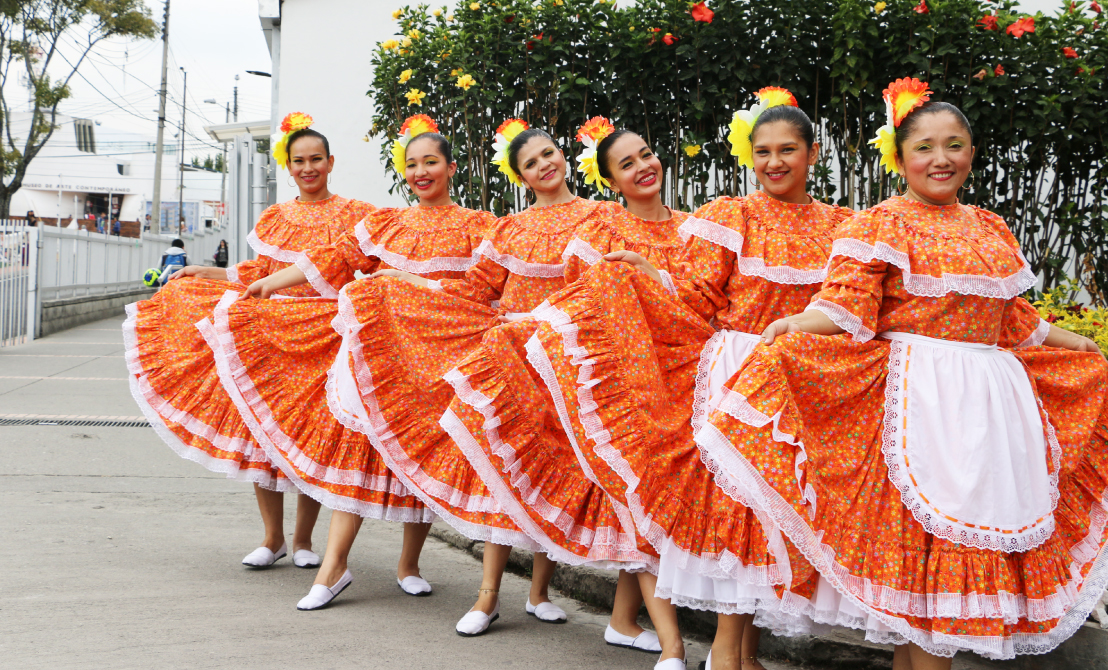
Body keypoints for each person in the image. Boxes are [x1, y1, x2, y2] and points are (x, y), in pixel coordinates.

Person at [691, 78, 1108, 669]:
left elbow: (1014, 321)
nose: (940, 158)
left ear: (972, 154)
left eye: (954, 145)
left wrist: (1077, 341)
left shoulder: (990, 228)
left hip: (993, 410)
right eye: (924, 147)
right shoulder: (881, 223)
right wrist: (798, 324)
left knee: (953, 572)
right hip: (923, 404)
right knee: (931, 567)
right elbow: (847, 305)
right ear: (900, 158)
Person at [492, 89, 853, 670]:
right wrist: (645, 274)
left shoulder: (844, 226)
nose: (775, 162)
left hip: (808, 383)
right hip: (739, 374)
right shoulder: (730, 217)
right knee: (741, 514)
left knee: (779, 519)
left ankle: (737, 654)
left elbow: (854, 301)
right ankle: (721, 655)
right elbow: (694, 298)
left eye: (788, 149)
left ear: (813, 153)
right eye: (763, 151)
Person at [436, 120, 697, 668]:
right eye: (530, 163)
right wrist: (412, 287)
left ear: (565, 156)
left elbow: (604, 292)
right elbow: (476, 288)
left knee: (592, 479)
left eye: (548, 154)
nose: (543, 166)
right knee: (514, 471)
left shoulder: (603, 217)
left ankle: (553, 597)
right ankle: (489, 596)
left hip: (583, 358)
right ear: (521, 175)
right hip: (523, 353)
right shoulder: (510, 229)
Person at [213, 115, 493, 610]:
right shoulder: (386, 223)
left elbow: (487, 289)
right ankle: (331, 568)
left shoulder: (481, 226)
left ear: (450, 167)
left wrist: (421, 292)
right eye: (412, 164)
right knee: (356, 453)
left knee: (418, 461)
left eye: (431, 162)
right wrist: (267, 284)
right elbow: (331, 260)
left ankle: (409, 565)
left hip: (440, 356)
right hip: (379, 357)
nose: (421, 172)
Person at [124, 113, 372, 573]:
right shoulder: (276, 217)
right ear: (289, 166)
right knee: (263, 435)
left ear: (331, 162)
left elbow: (371, 262)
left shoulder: (357, 214)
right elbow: (260, 273)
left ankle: (302, 540)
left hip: (325, 335)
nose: (308, 167)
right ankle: (272, 537)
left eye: (316, 158)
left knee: (312, 435)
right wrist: (208, 272)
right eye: (299, 160)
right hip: (271, 334)